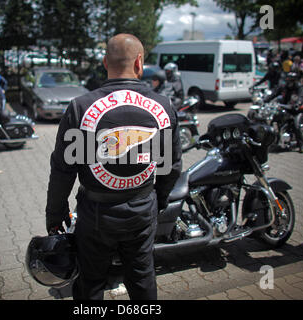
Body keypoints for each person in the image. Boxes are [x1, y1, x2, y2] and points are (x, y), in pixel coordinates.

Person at [45, 33, 182, 300]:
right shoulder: (163, 106)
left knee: (91, 281)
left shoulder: (80, 107)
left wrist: (55, 213)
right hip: (142, 210)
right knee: (142, 278)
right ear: (140, 63)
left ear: (105, 62)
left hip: (95, 214)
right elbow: (171, 166)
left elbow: (63, 169)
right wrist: (158, 202)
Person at [263, 72, 303, 153]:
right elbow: (275, 93)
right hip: (286, 108)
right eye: (287, 80)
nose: (288, 82)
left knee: (296, 125)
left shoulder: (300, 88)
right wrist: (266, 99)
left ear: (295, 81)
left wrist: (298, 104)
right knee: (274, 120)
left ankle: (301, 144)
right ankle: (275, 141)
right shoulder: (285, 87)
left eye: (290, 80)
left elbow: (301, 97)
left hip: (297, 110)